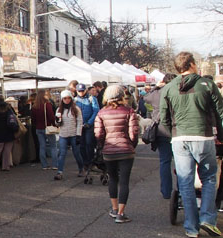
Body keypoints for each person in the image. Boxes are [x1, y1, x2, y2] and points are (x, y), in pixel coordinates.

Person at [160, 52, 223, 238]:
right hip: (203, 137)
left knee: (185, 182)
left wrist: (174, 132)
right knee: (210, 178)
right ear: (193, 64)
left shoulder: (169, 87)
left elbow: (164, 118)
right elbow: (220, 113)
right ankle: (207, 219)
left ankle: (191, 227)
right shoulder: (207, 85)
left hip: (179, 139)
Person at [94, 84, 139, 223]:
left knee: (112, 179)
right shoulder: (129, 111)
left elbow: (98, 133)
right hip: (126, 150)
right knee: (124, 181)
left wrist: (103, 145)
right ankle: (121, 213)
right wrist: (132, 144)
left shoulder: (102, 112)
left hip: (109, 151)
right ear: (121, 95)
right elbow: (134, 132)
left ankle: (114, 209)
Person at [144, 73, 176, 200]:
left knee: (165, 161)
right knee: (181, 163)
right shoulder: (176, 91)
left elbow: (146, 98)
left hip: (161, 130)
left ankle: (166, 191)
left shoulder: (157, 93)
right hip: (176, 129)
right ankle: (182, 190)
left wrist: (155, 87)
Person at [54, 90, 82, 180]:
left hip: (74, 133)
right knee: (62, 153)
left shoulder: (76, 109)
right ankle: (60, 172)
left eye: (69, 98)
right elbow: (57, 124)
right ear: (62, 99)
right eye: (65, 98)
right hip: (63, 134)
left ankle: (81, 169)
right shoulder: (59, 110)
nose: (67, 100)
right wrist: (57, 121)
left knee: (76, 153)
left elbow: (79, 122)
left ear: (71, 98)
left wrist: (78, 134)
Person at [74, 83, 99, 174]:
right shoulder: (74, 100)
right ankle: (85, 163)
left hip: (89, 125)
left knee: (89, 144)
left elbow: (96, 111)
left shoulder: (92, 99)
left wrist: (89, 122)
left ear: (85, 90)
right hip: (79, 126)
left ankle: (91, 162)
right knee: (82, 145)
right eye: (79, 91)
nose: (81, 92)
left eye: (82, 90)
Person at [31, 89, 56, 170]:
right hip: (47, 127)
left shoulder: (34, 106)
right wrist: (55, 124)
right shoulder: (47, 104)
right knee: (53, 146)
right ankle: (55, 164)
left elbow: (33, 119)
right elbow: (51, 117)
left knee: (42, 146)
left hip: (38, 128)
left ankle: (44, 165)